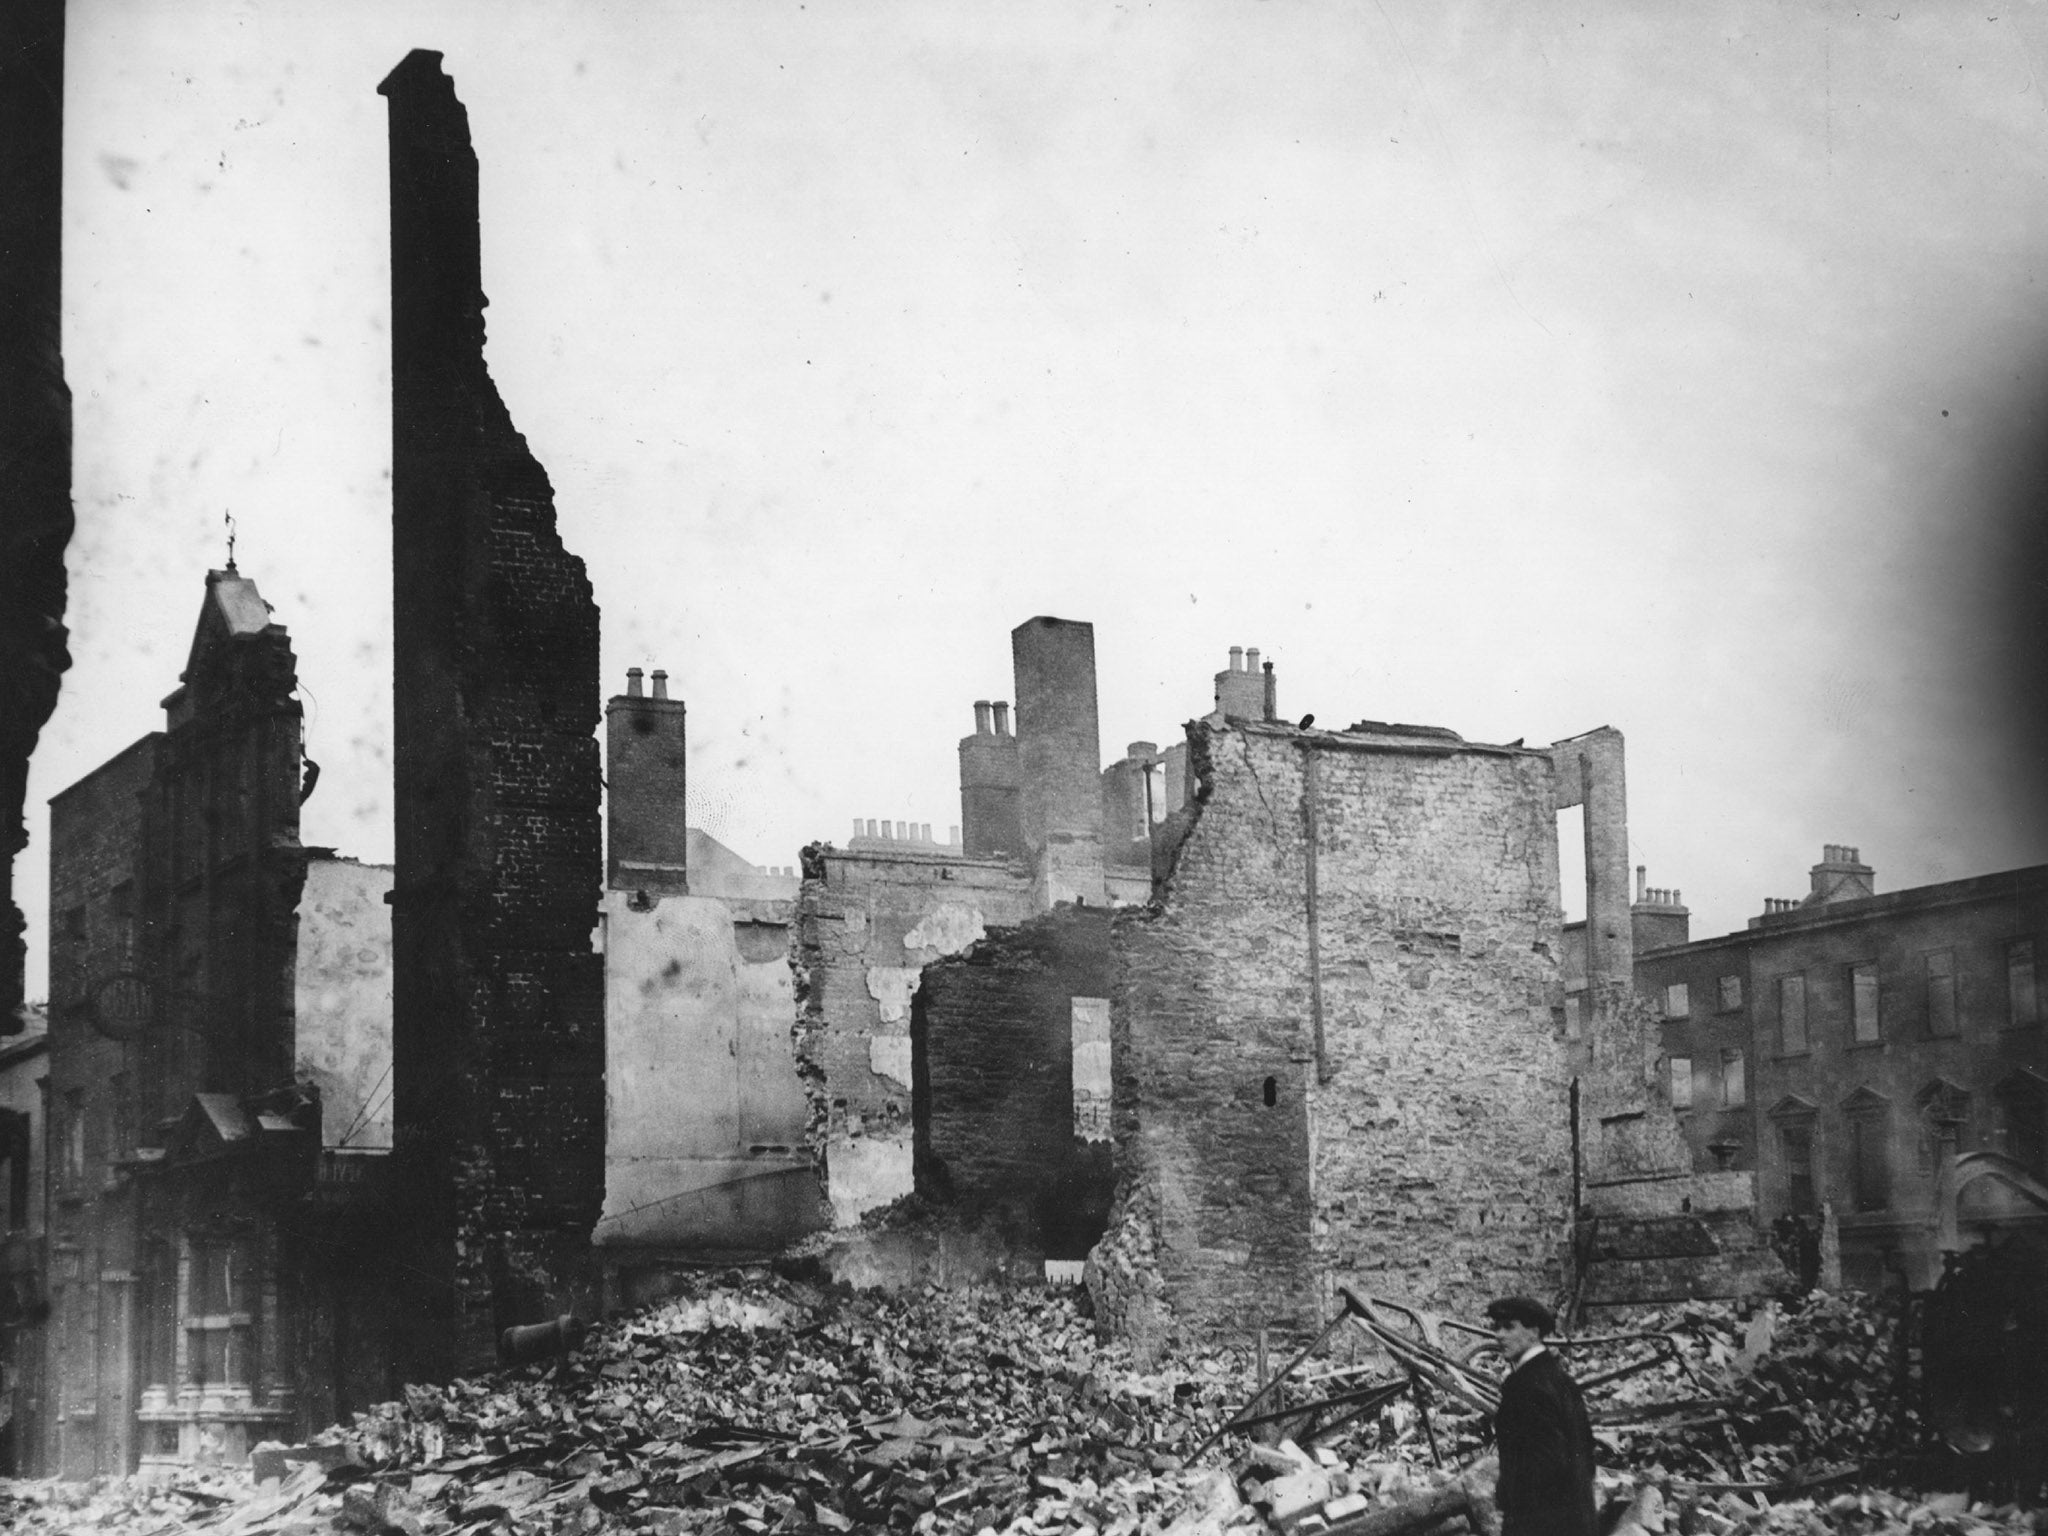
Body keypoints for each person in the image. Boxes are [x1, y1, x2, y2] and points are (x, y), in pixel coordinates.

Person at [1485, 1296, 1597, 1536]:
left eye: (1509, 1326)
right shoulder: (1561, 1380)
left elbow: (1543, 1465)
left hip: (1540, 1523)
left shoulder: (1525, 1385)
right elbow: (1586, 1453)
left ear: (1534, 1332)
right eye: (1496, 1327)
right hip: (1576, 1520)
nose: (1499, 1335)